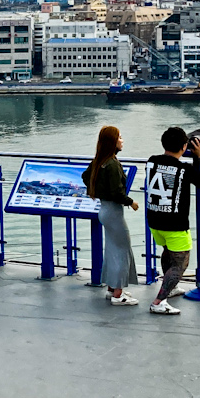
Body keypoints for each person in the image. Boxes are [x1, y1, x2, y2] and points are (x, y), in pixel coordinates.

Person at [142, 126, 200, 315]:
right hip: (175, 224)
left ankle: (169, 289)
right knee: (180, 263)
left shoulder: (152, 161)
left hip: (154, 220)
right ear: (184, 146)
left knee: (168, 253)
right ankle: (158, 301)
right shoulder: (184, 169)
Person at [83, 126, 140, 305]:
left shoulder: (99, 161)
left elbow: (85, 176)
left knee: (112, 250)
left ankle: (111, 288)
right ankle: (118, 294)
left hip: (104, 210)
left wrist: (99, 189)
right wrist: (131, 202)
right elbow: (117, 192)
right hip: (114, 212)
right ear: (112, 141)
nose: (122, 140)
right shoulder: (113, 164)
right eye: (119, 137)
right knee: (122, 250)